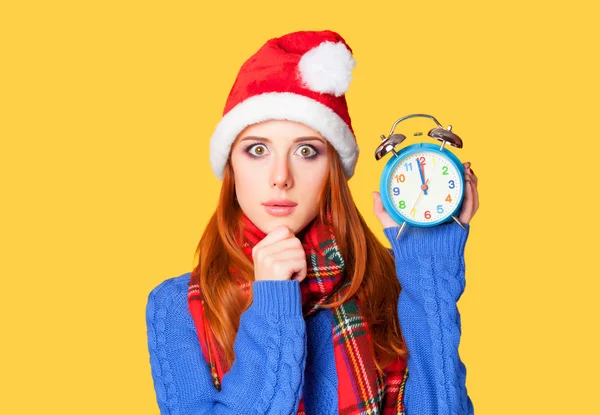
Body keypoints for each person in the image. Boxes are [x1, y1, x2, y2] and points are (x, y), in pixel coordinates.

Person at [146, 29, 479, 415]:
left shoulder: (387, 279)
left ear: (332, 169)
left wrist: (429, 274)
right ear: (231, 166)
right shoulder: (178, 308)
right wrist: (273, 303)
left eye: (306, 151)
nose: (280, 177)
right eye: (257, 149)